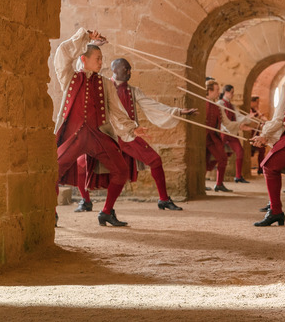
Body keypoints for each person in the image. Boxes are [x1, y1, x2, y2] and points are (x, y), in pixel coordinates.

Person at [74, 58, 197, 212]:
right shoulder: (103, 86)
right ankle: (86, 201)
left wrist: (177, 112)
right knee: (81, 164)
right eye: (126, 69)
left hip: (128, 136)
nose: (129, 72)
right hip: (106, 136)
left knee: (155, 160)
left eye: (129, 69)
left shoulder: (133, 91)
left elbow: (153, 105)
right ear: (115, 69)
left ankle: (164, 199)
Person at [54, 28, 145, 227]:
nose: (101, 62)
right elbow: (62, 52)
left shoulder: (105, 84)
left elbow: (117, 111)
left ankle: (106, 212)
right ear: (84, 59)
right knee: (52, 170)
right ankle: (50, 213)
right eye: (97, 58)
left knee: (121, 170)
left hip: (98, 136)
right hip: (73, 137)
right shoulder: (69, 77)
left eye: (102, 58)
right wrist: (84, 37)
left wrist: (131, 129)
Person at [250, 49, 285, 227]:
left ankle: (275, 210)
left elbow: (280, 118)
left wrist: (265, 135)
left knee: (268, 165)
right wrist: (265, 135)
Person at [205, 79, 249, 192]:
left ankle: (219, 184)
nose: (218, 93)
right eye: (216, 90)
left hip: (214, 137)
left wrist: (240, 126)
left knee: (222, 158)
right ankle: (203, 182)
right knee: (206, 160)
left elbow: (227, 123)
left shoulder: (218, 106)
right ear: (209, 91)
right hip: (204, 137)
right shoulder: (203, 103)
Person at [218, 85, 249, 184]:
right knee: (220, 156)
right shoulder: (220, 104)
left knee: (240, 151)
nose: (232, 94)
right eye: (231, 92)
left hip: (232, 132)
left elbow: (238, 117)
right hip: (223, 132)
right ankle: (219, 182)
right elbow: (224, 122)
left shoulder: (232, 106)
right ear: (226, 92)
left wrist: (249, 117)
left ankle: (238, 176)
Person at [249, 96, 266, 175]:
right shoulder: (249, 110)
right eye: (257, 102)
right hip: (250, 134)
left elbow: (264, 120)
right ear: (252, 102)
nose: (258, 104)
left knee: (261, 150)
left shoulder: (256, 111)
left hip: (256, 134)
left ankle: (260, 168)